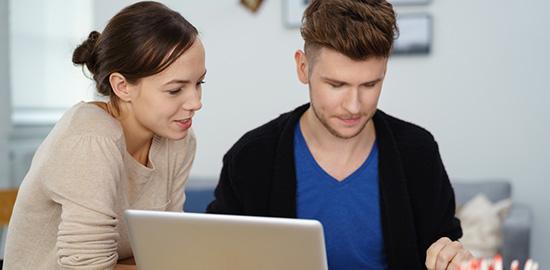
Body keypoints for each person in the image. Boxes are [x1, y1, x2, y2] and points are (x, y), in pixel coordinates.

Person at [207, 0, 472, 269]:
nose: (354, 106)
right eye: (336, 85)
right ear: (303, 68)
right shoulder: (252, 157)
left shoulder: (418, 152)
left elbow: (446, 245)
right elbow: (214, 253)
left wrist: (453, 259)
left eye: (370, 84)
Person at [4, 1, 205, 269]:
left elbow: (164, 250)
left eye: (199, 83)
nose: (195, 102)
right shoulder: (90, 141)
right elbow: (88, 266)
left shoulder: (179, 140)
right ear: (122, 86)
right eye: (175, 90)